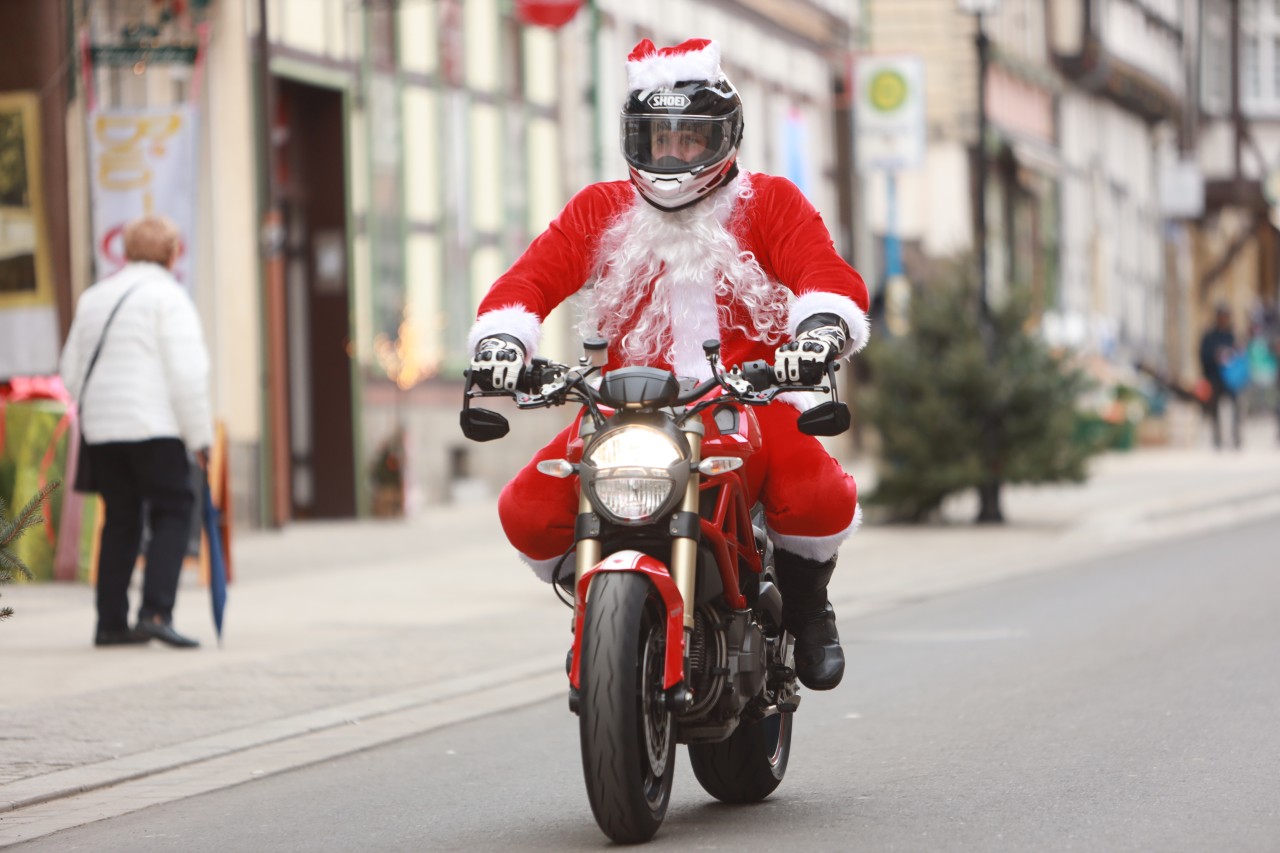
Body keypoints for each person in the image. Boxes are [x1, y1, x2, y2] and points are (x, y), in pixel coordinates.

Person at [468, 39, 869, 691]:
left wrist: (820, 329)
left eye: (690, 137)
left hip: (748, 398)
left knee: (816, 493)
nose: (673, 153)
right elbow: (530, 279)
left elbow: (824, 274)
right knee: (528, 509)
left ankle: (805, 604)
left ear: (724, 137)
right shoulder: (601, 209)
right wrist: (502, 344)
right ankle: (602, 616)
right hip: (627, 408)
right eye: (658, 137)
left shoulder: (769, 202)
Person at [60, 215, 212, 648]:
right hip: (153, 425)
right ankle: (156, 611)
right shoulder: (169, 297)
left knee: (121, 517)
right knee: (174, 509)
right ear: (172, 253)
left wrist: (103, 408)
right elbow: (188, 375)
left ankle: (110, 623)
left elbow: (70, 370)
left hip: (103, 429)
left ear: (124, 252)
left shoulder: (93, 298)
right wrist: (200, 436)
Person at [1198, 304, 1242, 450]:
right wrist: (1215, 357)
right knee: (1214, 409)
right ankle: (1217, 439)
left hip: (1230, 379)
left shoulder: (1231, 335)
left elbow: (1239, 354)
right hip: (1215, 377)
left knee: (1235, 407)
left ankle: (1236, 437)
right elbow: (1203, 355)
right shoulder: (1210, 336)